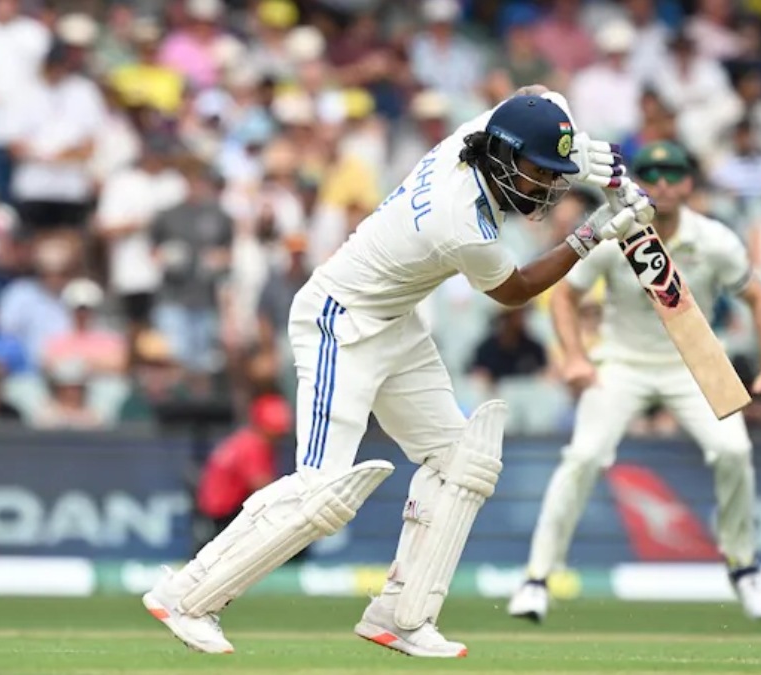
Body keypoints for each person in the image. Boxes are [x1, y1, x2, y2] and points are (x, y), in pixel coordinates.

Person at [140, 85, 647, 657]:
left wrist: (581, 149)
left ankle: (402, 615)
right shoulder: (462, 222)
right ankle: (185, 596)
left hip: (393, 319)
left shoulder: (476, 134)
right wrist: (593, 232)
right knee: (321, 491)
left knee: (462, 463)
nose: (547, 187)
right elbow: (516, 290)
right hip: (340, 322)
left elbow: (538, 95)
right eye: (539, 172)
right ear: (505, 156)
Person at [507, 141, 761, 625]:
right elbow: (565, 297)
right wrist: (575, 358)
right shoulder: (617, 229)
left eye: (673, 174)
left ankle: (744, 566)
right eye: (651, 175)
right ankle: (537, 579)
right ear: (637, 182)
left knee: (734, 451)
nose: (662, 184)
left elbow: (760, 299)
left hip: (695, 364)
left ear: (689, 183)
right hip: (622, 363)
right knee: (584, 456)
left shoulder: (714, 239)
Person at [192, 394, 293, 553]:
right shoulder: (253, 444)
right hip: (224, 518)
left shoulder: (242, 439)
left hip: (211, 514)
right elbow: (262, 486)